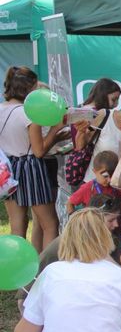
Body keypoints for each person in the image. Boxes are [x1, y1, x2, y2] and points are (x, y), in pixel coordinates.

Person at [0, 66, 67, 252]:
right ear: (29, 88)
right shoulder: (29, 112)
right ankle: (46, 266)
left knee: (17, 225)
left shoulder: (1, 109)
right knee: (50, 224)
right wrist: (55, 130)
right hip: (30, 168)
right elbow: (39, 151)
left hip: (8, 169)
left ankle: (16, 266)